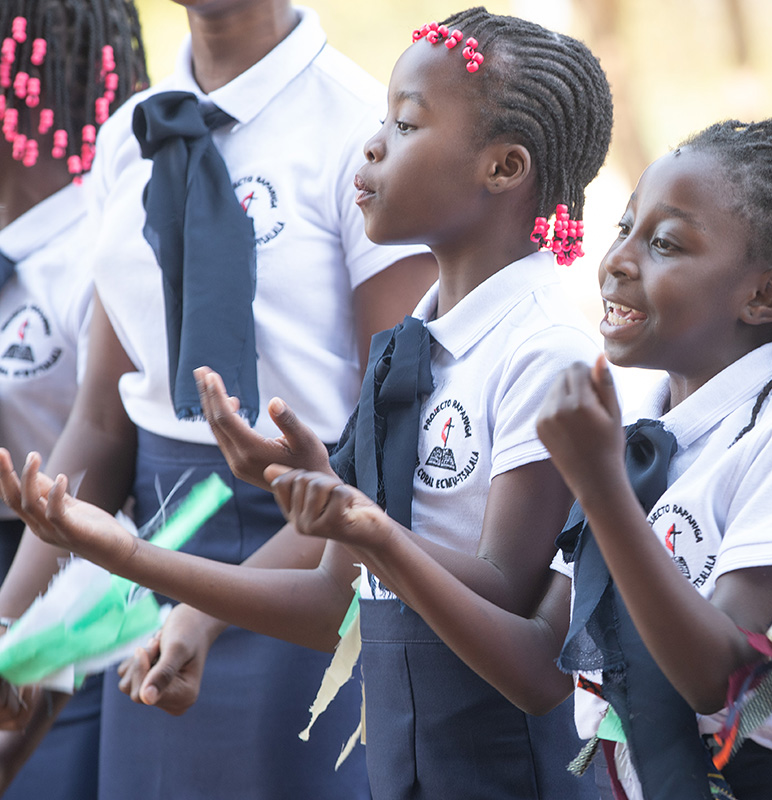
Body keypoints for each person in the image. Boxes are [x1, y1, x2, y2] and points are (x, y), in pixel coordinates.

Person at [2, 8, 614, 799]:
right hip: (367, 685)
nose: (374, 141)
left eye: (404, 125)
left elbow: (508, 613)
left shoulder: (542, 344)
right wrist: (156, 585)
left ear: (502, 167)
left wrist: (349, 518)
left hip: (482, 748)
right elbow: (337, 578)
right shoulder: (415, 341)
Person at [255, 118, 772, 800]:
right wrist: (375, 534)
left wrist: (602, 489)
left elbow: (724, 678)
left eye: (665, 244)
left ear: (765, 295)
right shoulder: (632, 420)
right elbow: (540, 666)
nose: (618, 260)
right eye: (624, 228)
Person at [0, 2, 148, 797]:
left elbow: (106, 446)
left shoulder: (95, 252)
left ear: (17, 85)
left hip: (65, 606)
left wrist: (19, 639)